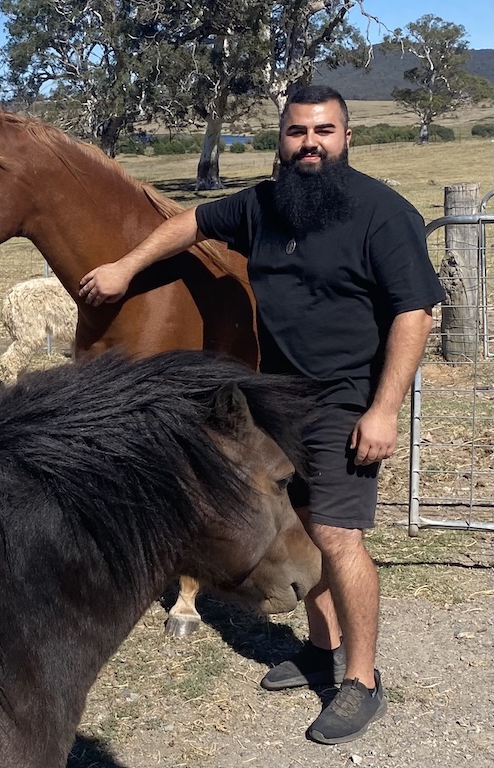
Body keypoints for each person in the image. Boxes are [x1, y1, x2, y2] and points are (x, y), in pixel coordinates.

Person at [78, 84, 444, 745]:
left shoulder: (381, 214)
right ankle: (322, 649)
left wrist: (384, 409)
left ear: (347, 137)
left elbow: (414, 313)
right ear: (282, 139)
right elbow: (190, 223)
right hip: (281, 399)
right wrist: (125, 267)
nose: (310, 143)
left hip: (347, 399)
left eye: (324, 131)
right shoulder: (266, 205)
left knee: (338, 538)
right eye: (298, 131)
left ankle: (361, 681)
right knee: (302, 521)